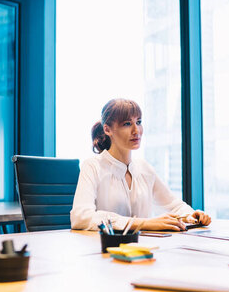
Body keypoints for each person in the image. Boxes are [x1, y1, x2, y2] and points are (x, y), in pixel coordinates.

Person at [70, 98, 210, 232]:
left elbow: (173, 205)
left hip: (142, 249)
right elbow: (81, 217)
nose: (136, 131)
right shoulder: (93, 166)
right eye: (127, 124)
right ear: (107, 130)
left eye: (138, 122)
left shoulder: (144, 168)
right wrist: (144, 223)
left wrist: (192, 216)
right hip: (104, 250)